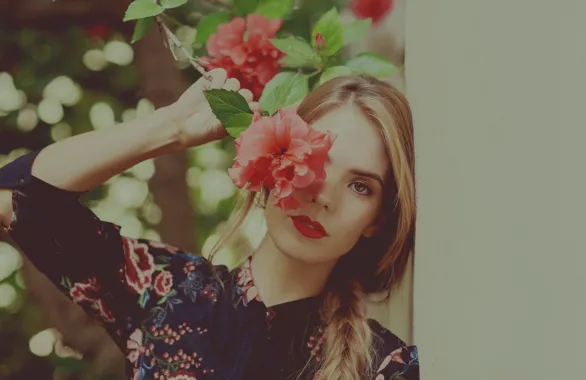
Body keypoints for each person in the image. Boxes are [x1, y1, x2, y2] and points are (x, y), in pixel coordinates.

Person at [0, 68, 419, 380]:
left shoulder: (384, 366)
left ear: (377, 221)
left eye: (361, 186)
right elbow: (20, 198)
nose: (323, 194)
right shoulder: (164, 290)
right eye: (314, 157)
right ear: (273, 161)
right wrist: (169, 127)